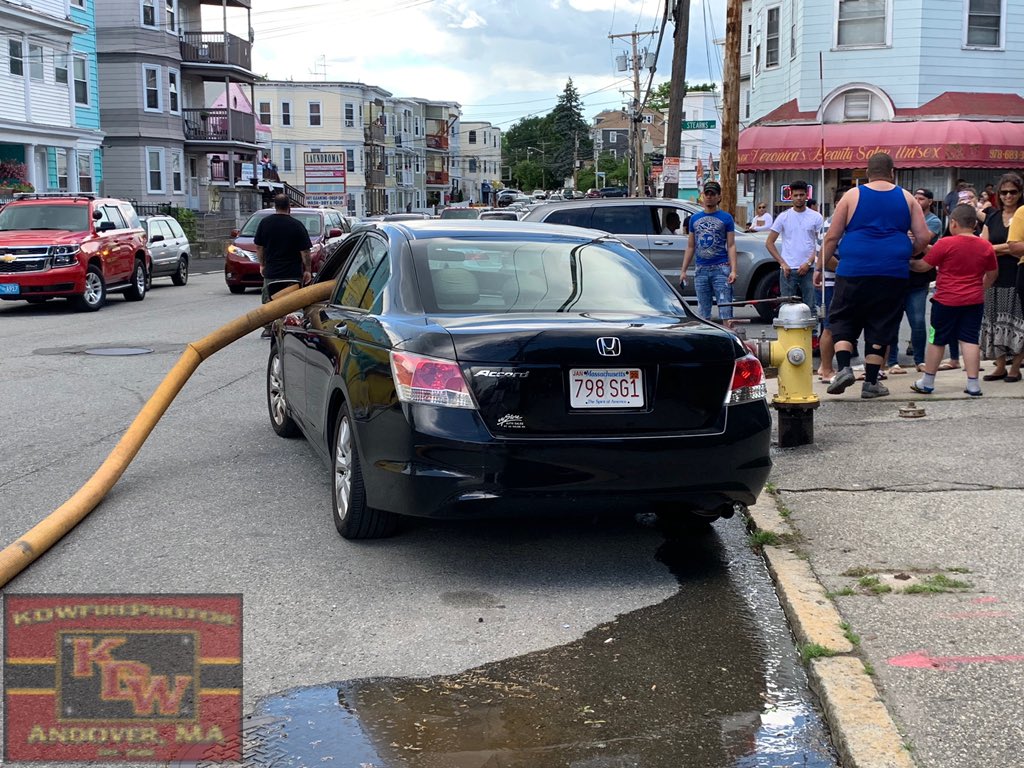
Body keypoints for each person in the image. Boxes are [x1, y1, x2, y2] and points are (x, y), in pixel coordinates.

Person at [822, 152, 933, 398]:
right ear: (892, 172)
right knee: (881, 322)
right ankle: (871, 383)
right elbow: (924, 237)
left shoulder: (852, 195)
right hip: (892, 272)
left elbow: (832, 236)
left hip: (853, 269)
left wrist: (821, 266)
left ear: (867, 172)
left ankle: (844, 368)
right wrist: (907, 251)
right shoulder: (906, 197)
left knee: (843, 317)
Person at [910, 204, 999, 397]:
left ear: (953, 223)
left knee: (937, 340)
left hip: (945, 301)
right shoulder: (985, 246)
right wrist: (980, 287)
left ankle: (927, 382)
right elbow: (992, 274)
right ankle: (973, 384)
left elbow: (923, 266)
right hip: (974, 300)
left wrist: (905, 262)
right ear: (975, 224)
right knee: (969, 340)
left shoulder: (946, 243)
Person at [885, 188, 943, 374]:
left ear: (930, 201)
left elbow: (923, 245)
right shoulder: (901, 217)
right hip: (896, 275)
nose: (917, 201)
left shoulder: (933, 221)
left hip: (918, 280)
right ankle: (892, 361)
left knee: (917, 321)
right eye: (915, 198)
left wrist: (915, 238)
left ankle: (920, 360)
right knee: (893, 320)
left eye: (921, 198)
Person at [979, 173, 1024, 382]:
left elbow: (1015, 247)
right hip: (994, 275)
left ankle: (1015, 366)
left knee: (1018, 322)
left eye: (1013, 192)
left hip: (1017, 273)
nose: (1008, 196)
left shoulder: (1022, 215)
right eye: (1004, 192)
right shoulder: (992, 216)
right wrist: (1006, 249)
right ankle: (999, 366)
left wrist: (998, 248)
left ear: (1020, 193)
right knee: (994, 320)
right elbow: (983, 247)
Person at [254, 194, 313, 338]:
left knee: (269, 301)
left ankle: (268, 327)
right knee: (293, 302)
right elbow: (305, 251)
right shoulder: (297, 225)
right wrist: (308, 270)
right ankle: (293, 326)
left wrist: (262, 264)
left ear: (275, 206)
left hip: (272, 272)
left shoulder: (265, 223)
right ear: (289, 207)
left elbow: (259, 247)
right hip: (292, 273)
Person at [679, 180, 738, 322]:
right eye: (707, 193)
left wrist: (733, 270)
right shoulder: (694, 219)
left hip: (721, 268)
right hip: (701, 269)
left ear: (719, 197)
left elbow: (731, 245)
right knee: (703, 313)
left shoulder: (726, 218)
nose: (709, 197)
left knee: (726, 310)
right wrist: (683, 270)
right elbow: (691, 246)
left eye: (713, 194)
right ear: (703, 196)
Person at [766, 180, 823, 310]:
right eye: (796, 195)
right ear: (791, 196)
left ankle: (812, 331)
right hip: (788, 269)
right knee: (787, 307)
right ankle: (788, 330)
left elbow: (821, 243)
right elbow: (769, 243)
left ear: (806, 196)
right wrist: (782, 263)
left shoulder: (816, 217)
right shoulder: (783, 217)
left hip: (809, 269)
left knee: (811, 306)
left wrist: (809, 262)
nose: (799, 198)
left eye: (802, 195)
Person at [813, 188, 846, 382]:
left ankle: (832, 367)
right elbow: (827, 257)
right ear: (836, 204)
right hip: (831, 281)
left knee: (837, 324)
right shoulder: (832, 224)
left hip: (837, 280)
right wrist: (849, 268)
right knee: (831, 325)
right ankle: (825, 369)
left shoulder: (842, 223)